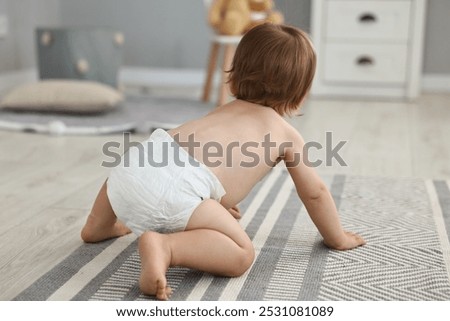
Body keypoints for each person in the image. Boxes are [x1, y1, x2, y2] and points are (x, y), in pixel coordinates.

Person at [80, 23, 366, 300]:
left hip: (129, 171)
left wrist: (217, 203)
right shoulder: (285, 134)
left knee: (139, 165)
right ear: (301, 92)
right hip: (177, 195)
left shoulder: (224, 110)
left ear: (235, 73)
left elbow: (194, 165)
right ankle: (166, 247)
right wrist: (336, 237)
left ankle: (98, 226)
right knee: (242, 253)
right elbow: (315, 193)